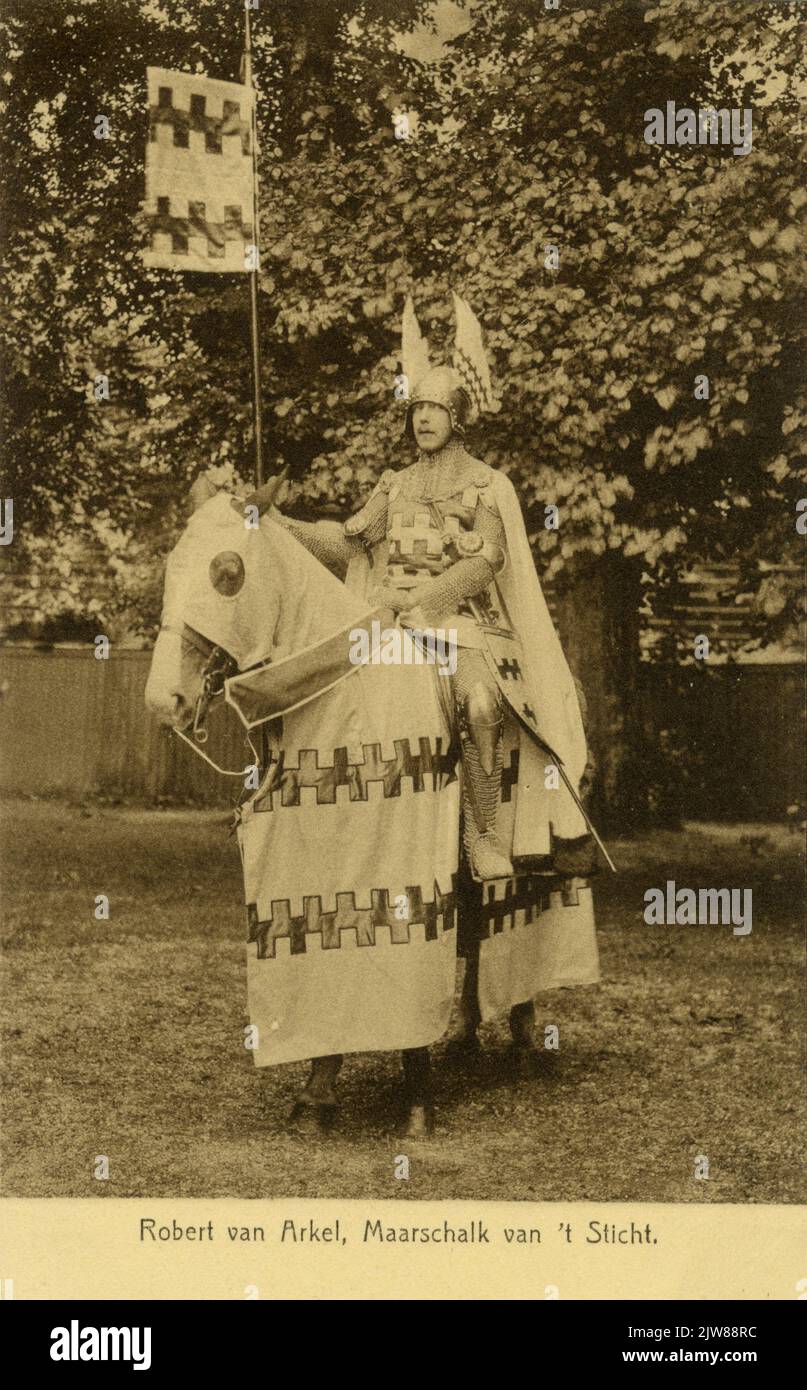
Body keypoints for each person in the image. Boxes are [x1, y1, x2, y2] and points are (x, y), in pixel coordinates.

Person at [271, 293, 595, 887]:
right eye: (417, 409)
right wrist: (280, 524)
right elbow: (349, 543)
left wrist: (423, 604)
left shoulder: (482, 485)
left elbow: (486, 564)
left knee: (478, 703)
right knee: (321, 691)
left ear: (458, 417)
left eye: (436, 410)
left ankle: (487, 835)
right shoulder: (393, 486)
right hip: (391, 626)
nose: (423, 418)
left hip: (462, 628)